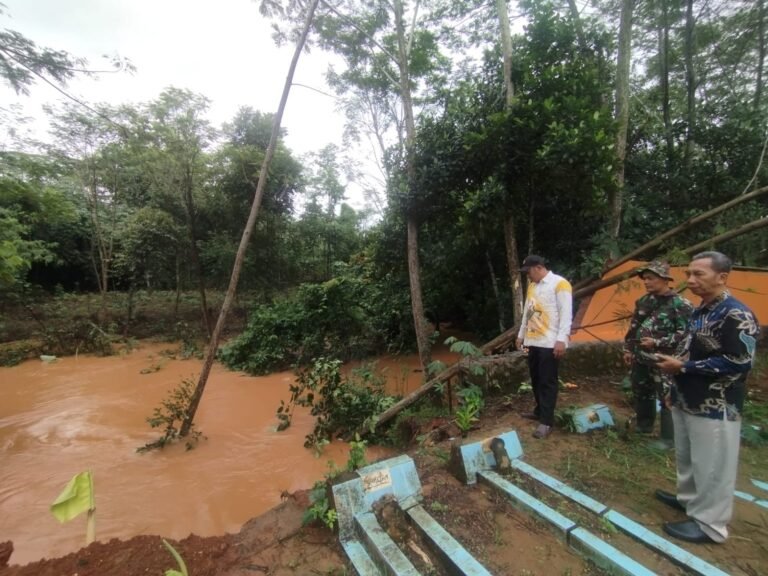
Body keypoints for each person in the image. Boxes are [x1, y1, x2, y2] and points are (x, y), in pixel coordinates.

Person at [656, 251, 760, 544]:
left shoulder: (736, 314)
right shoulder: (701, 311)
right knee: (689, 457)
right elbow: (690, 349)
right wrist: (673, 386)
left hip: (717, 404)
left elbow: (741, 361)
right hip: (687, 397)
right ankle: (690, 500)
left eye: (698, 274)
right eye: (689, 274)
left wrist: (685, 367)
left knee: (713, 465)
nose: (690, 280)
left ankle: (710, 525)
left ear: (722, 277)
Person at [622, 261, 693, 447]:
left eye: (651, 278)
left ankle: (668, 438)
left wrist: (658, 342)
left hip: (665, 360)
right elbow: (634, 327)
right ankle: (644, 426)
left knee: (667, 396)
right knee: (642, 391)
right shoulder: (644, 301)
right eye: (645, 279)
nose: (646, 282)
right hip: (642, 357)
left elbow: (685, 334)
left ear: (664, 280)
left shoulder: (681, 304)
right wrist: (628, 348)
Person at [515, 255, 573, 439]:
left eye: (529, 272)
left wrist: (561, 339)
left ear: (539, 267)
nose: (528, 276)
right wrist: (521, 335)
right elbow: (528, 311)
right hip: (533, 341)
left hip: (550, 342)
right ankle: (539, 411)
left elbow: (566, 314)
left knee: (548, 381)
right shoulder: (533, 286)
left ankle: (546, 422)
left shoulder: (560, 284)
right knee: (536, 378)